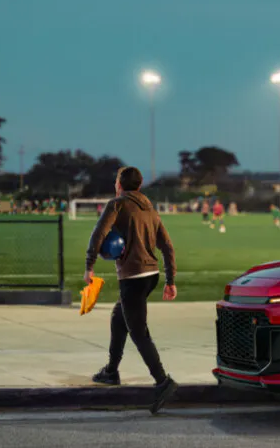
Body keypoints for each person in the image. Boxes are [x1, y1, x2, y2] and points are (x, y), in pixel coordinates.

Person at [84, 166, 178, 414]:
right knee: (119, 317)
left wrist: (89, 266)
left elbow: (98, 234)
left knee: (139, 331)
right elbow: (167, 246)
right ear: (141, 184)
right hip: (152, 276)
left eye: (116, 180)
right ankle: (111, 371)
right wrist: (170, 281)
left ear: (119, 184)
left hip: (133, 277)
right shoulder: (150, 208)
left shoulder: (117, 204)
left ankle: (162, 382)